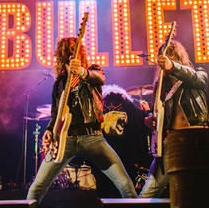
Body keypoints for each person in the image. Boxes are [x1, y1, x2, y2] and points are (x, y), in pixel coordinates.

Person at [138, 40, 209, 208]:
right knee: (149, 192)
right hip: (174, 143)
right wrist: (151, 121)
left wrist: (173, 67)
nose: (164, 62)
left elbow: (199, 80)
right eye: (162, 59)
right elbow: (161, 118)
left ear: (177, 58)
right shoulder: (162, 87)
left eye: (169, 56)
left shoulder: (197, 74)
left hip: (200, 139)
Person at [26, 37, 138, 206]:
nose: (71, 53)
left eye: (74, 49)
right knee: (36, 188)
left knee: (125, 185)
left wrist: (82, 73)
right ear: (62, 56)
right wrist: (49, 130)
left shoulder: (92, 71)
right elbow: (55, 112)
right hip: (65, 140)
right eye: (66, 51)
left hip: (92, 137)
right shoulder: (59, 83)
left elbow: (99, 78)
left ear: (81, 52)